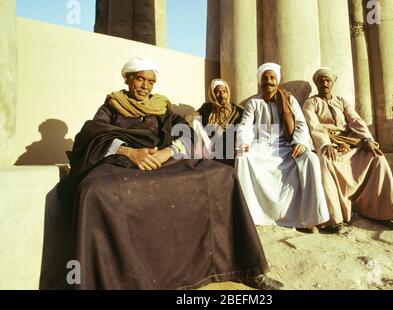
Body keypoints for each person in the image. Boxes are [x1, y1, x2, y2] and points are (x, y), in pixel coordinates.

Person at [58, 56, 283, 290]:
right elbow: (91, 135)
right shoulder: (112, 106)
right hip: (123, 163)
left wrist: (168, 152)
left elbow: (185, 133)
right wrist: (130, 153)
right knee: (94, 191)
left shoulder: (161, 107)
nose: (145, 86)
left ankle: (244, 267)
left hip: (162, 160)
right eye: (140, 79)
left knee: (223, 177)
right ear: (128, 79)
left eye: (150, 81)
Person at [302, 67, 393, 232]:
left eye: (328, 80)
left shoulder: (341, 101)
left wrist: (367, 139)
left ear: (333, 83)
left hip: (349, 141)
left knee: (376, 157)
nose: (324, 83)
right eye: (321, 80)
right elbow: (312, 125)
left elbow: (356, 120)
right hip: (328, 142)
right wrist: (325, 144)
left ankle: (384, 212)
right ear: (316, 84)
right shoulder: (311, 102)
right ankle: (333, 219)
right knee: (325, 161)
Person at [235, 63, 329, 232]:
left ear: (277, 80)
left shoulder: (289, 99)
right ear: (260, 81)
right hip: (260, 148)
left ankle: (310, 219)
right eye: (265, 78)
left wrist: (300, 142)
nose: (268, 81)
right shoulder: (253, 103)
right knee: (242, 158)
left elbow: (300, 123)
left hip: (286, 146)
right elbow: (245, 126)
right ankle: (250, 216)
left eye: (272, 78)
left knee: (311, 160)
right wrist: (244, 143)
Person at [185, 79, 243, 166]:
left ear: (228, 92)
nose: (222, 95)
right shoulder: (207, 108)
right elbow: (190, 117)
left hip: (227, 146)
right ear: (212, 94)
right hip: (208, 144)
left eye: (224, 91)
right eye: (218, 92)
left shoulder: (237, 111)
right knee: (195, 122)